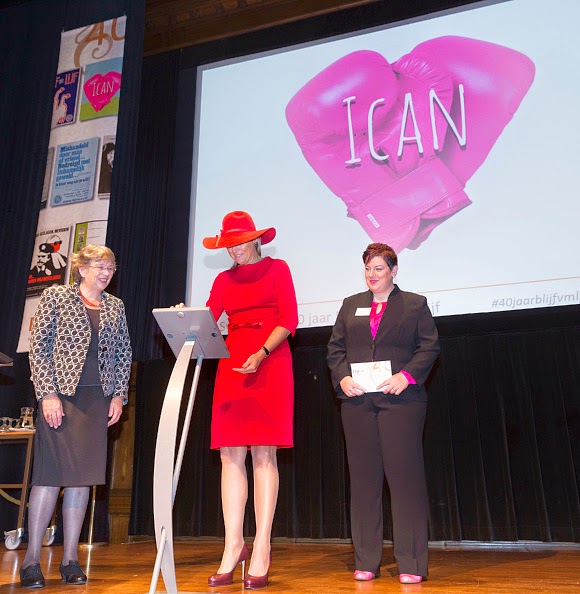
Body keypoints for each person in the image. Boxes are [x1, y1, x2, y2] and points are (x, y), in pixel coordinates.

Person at [20, 244, 132, 589]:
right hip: (61, 397)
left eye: (110, 267)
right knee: (49, 477)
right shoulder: (56, 296)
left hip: (97, 400)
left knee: (82, 480)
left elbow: (124, 352)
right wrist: (47, 394)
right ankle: (31, 562)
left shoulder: (116, 306)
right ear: (82, 269)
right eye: (99, 266)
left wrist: (119, 395)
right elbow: (39, 346)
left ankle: (70, 560)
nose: (105, 272)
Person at [327, 242, 440, 584]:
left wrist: (405, 377)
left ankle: (411, 563)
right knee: (364, 483)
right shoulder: (351, 306)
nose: (372, 275)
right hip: (358, 404)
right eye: (367, 268)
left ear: (394, 269)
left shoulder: (414, 305)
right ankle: (366, 560)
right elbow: (335, 349)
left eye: (378, 268)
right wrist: (343, 377)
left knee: (405, 482)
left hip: (401, 403)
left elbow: (429, 347)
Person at [201, 211, 298, 589]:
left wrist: (261, 352)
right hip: (232, 362)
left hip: (269, 358)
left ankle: (261, 547)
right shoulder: (223, 279)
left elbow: (289, 318)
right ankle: (233, 544)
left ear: (256, 240)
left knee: (263, 453)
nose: (235, 251)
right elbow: (209, 318)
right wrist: (187, 320)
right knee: (229, 454)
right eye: (229, 245)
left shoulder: (278, 268)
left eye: (240, 243)